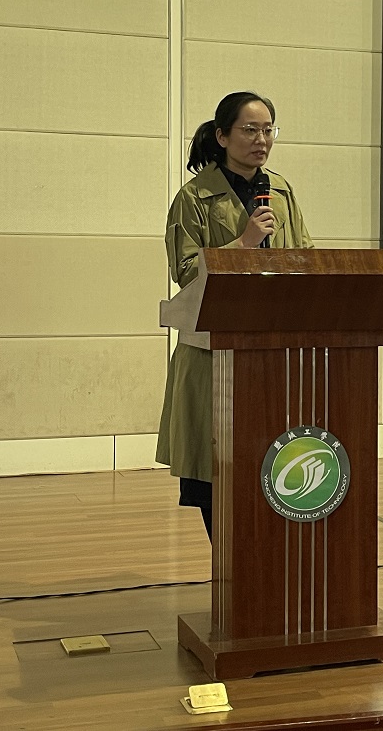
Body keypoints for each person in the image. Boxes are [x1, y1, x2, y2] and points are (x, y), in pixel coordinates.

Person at [156, 91, 313, 540]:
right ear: (222, 136)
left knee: (271, 467)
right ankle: (229, 567)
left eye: (268, 130)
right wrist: (243, 244)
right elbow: (186, 271)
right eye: (250, 130)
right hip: (215, 354)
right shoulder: (194, 197)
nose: (261, 139)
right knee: (218, 472)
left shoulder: (281, 191)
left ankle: (263, 565)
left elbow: (306, 255)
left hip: (274, 350)